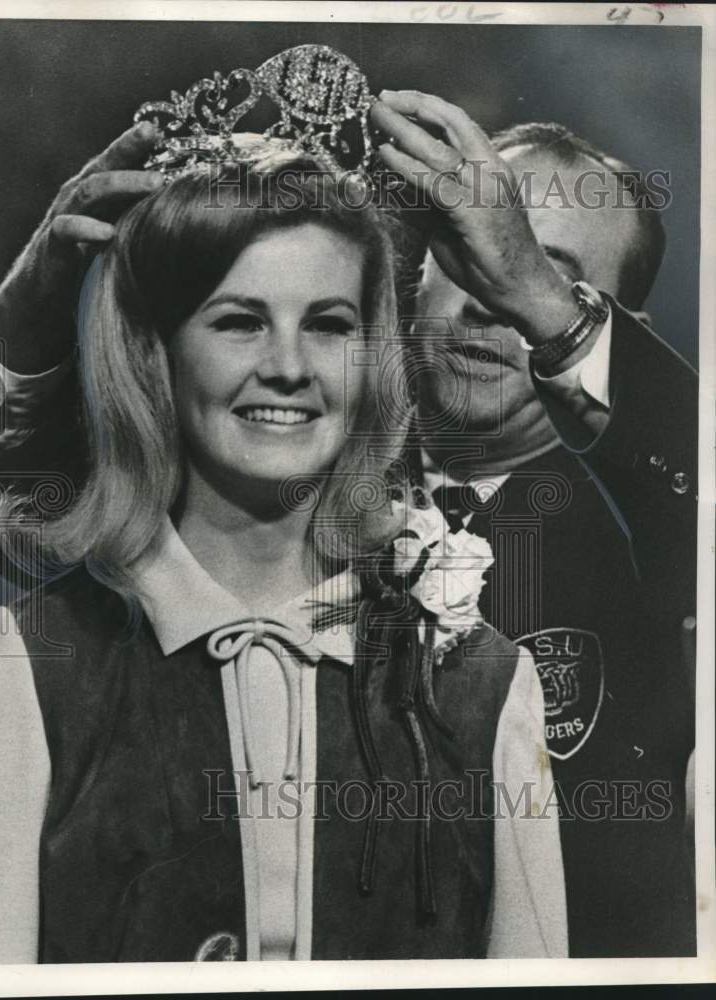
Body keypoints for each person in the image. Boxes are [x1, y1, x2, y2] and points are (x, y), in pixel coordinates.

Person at [0, 109, 567, 960]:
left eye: (327, 325)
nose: (287, 366)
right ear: (154, 354)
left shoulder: (482, 681)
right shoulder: (28, 662)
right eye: (239, 320)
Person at [370, 92, 697, 957]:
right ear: (418, 272)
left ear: (610, 330)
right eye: (471, 255)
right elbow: (19, 518)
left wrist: (542, 305)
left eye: (540, 274)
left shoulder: (657, 540)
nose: (491, 302)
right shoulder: (282, 486)